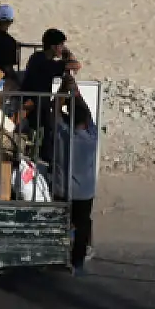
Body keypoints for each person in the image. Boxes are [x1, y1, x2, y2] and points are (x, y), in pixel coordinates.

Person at [49, 73, 99, 276]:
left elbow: (53, 111)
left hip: (62, 190)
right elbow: (87, 114)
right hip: (84, 193)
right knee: (82, 225)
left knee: (59, 224)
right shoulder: (91, 137)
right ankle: (77, 261)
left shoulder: (62, 134)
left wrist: (63, 90)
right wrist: (76, 91)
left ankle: (56, 255)